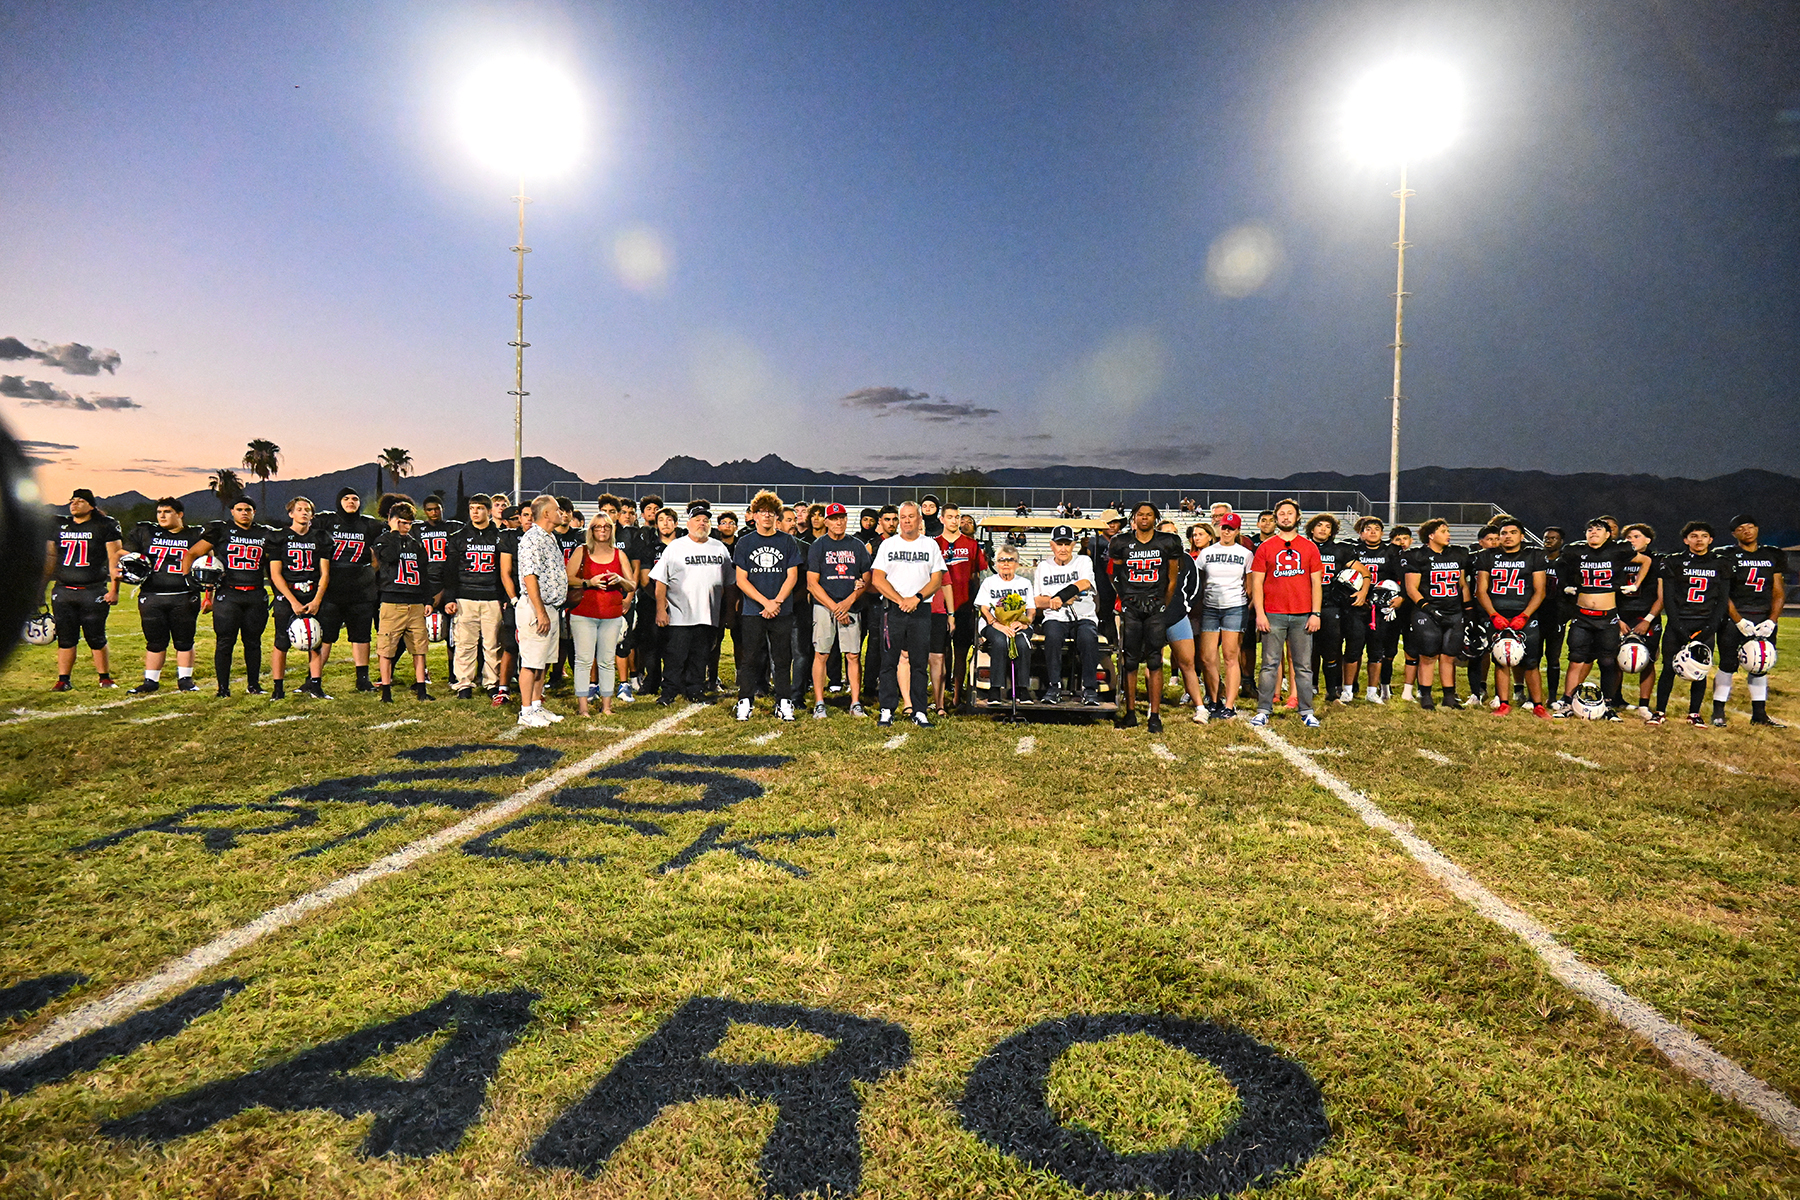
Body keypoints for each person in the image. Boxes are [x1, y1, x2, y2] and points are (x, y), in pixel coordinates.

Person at [1552, 518, 1651, 720]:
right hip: (1582, 615)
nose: (1593, 532)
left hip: (1608, 617)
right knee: (1575, 660)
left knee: (1607, 662)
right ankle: (1569, 702)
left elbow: (1646, 561)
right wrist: (1565, 585)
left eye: (1599, 529)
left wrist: (1636, 584)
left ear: (1608, 535)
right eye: (1590, 529)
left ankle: (1608, 705)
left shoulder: (1617, 551)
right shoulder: (1576, 551)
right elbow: (1558, 565)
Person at [184, 497, 279, 696]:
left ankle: (254, 685)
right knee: (225, 642)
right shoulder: (221, 530)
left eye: (248, 509)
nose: (244, 512)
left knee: (253, 642)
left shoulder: (265, 533)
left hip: (255, 593)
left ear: (254, 512)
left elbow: (275, 563)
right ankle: (223, 688)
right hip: (228, 594)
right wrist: (189, 579)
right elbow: (192, 553)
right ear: (232, 512)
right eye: (239, 509)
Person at [1249, 498, 1325, 727]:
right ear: (1276, 518)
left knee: (1303, 665)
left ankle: (1307, 710)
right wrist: (1260, 614)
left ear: (1298, 517)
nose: (1285, 517)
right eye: (1281, 514)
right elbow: (1257, 584)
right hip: (1273, 614)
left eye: (1289, 513)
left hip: (1302, 614)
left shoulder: (1309, 547)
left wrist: (1316, 613)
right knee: (1269, 664)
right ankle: (1263, 709)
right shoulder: (1266, 547)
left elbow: (1316, 583)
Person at [1108, 502, 1183, 732]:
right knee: (1129, 660)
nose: (1144, 518)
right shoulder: (1121, 542)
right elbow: (1115, 574)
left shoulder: (1167, 542)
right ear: (1134, 517)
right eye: (1140, 514)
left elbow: (1172, 579)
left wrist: (1162, 602)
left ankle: (1155, 714)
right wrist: (1127, 598)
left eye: (1149, 515)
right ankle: (1130, 713)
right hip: (1131, 605)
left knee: (1154, 660)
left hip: (1155, 605)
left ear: (1155, 518)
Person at [870, 501, 946, 728]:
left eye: (911, 516)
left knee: (919, 662)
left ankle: (920, 710)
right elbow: (877, 579)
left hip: (921, 609)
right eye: (903, 517)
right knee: (889, 661)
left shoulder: (930, 546)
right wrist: (900, 600)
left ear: (919, 519)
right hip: (893, 609)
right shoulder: (888, 545)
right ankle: (887, 708)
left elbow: (937, 580)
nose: (906, 521)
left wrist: (916, 599)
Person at [1647, 522, 1731, 726]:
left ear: (1711, 540)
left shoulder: (1721, 563)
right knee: (1668, 667)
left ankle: (1694, 713)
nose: (1699, 539)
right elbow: (1668, 598)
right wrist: (1678, 627)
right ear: (1686, 540)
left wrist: (1710, 627)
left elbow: (1723, 599)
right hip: (1679, 621)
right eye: (1694, 536)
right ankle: (1660, 711)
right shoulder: (1674, 561)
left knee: (1700, 670)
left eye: (1704, 535)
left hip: (1705, 622)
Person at [732, 490, 803, 721]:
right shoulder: (745, 542)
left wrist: (777, 602)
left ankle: (783, 701)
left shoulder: (787, 541)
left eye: (771, 513)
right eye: (762, 512)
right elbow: (741, 579)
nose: (767, 516)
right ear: (754, 515)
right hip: (754, 610)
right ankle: (745, 701)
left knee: (782, 658)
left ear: (777, 517)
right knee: (751, 658)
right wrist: (765, 602)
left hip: (782, 609)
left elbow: (792, 576)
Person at [653, 506, 732, 706]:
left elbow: (729, 583)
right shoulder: (676, 547)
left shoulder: (719, 547)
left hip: (708, 614)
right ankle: (669, 691)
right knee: (675, 657)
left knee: (701, 656)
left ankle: (695, 689)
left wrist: (728, 611)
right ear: (688, 523)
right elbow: (660, 581)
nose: (702, 523)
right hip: (680, 614)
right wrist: (661, 609)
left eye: (705, 519)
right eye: (697, 519)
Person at [45, 488, 123, 691]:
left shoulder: (104, 525)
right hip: (63, 590)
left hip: (93, 590)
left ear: (91, 505)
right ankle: (63, 679)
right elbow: (50, 558)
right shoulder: (59, 524)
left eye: (80, 500)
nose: (74, 503)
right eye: (72, 500)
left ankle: (104, 678)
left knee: (96, 636)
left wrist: (115, 589)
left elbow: (115, 558)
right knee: (65, 638)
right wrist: (41, 587)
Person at [125, 496, 204, 694]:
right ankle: (151, 681)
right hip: (152, 594)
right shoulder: (147, 532)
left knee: (184, 641)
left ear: (179, 514)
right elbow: (124, 554)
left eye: (167, 512)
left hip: (184, 594)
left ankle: (185, 679)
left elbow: (208, 561)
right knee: (154, 641)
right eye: (159, 512)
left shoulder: (194, 534)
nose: (161, 515)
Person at [1474, 517, 1550, 717]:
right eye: (1504, 533)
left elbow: (1540, 591)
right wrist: (1493, 615)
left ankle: (1538, 705)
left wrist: (1525, 616)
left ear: (1522, 536)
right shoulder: (1487, 556)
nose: (1507, 537)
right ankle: (1504, 703)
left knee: (1531, 661)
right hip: (1497, 614)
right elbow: (1481, 591)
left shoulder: (1534, 555)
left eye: (1512, 533)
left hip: (1525, 614)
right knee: (1500, 659)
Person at [1716, 513, 1787, 727]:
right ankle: (1718, 711)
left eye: (1750, 526)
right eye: (1741, 528)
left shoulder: (1772, 554)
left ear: (1757, 529)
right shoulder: (1726, 555)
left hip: (1762, 615)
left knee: (1760, 664)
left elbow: (1778, 592)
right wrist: (1738, 620)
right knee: (1728, 664)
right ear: (1733, 534)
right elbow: (1723, 591)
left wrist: (1772, 620)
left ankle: (1759, 714)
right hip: (1735, 615)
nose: (1746, 530)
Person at [565, 509, 635, 717]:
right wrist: (589, 582)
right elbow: (568, 578)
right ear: (591, 530)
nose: (602, 530)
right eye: (597, 526)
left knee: (606, 661)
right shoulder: (582, 551)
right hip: (584, 613)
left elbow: (631, 585)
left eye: (606, 526)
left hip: (611, 614)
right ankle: (583, 707)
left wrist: (619, 580)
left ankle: (607, 706)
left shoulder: (619, 554)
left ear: (612, 530)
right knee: (584, 660)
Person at [316, 487, 385, 692]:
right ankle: (314, 678)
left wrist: (371, 572)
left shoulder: (368, 524)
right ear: (339, 501)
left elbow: (379, 550)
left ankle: (362, 679)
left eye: (355, 498)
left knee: (361, 635)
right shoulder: (327, 521)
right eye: (346, 498)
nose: (351, 501)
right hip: (332, 588)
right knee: (325, 636)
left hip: (360, 590)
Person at [807, 502, 872, 718]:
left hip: (850, 607)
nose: (839, 522)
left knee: (853, 654)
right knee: (821, 653)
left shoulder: (857, 545)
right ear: (826, 522)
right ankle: (819, 702)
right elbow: (812, 583)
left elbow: (866, 577)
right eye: (834, 518)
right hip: (826, 607)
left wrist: (850, 600)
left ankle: (855, 702)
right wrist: (836, 607)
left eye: (842, 518)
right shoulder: (818, 546)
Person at [513, 495, 570, 727]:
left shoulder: (549, 538)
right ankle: (525, 711)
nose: (562, 514)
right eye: (557, 510)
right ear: (546, 514)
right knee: (531, 661)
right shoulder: (532, 539)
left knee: (543, 661)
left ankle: (536, 705)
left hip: (550, 607)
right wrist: (540, 612)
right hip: (537, 607)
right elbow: (530, 577)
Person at [371, 498, 435, 703]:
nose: (406, 526)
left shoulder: (416, 545)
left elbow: (423, 575)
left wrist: (427, 600)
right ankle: (386, 691)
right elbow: (389, 557)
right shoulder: (383, 540)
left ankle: (422, 689)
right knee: (387, 648)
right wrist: (395, 533)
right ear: (391, 520)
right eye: (402, 522)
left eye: (408, 523)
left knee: (419, 648)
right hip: (392, 602)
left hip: (415, 602)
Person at [1403, 518, 1470, 712]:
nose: (1448, 534)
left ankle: (1449, 696)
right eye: (1443, 531)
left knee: (1449, 655)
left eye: (1448, 530)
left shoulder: (1457, 554)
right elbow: (1411, 589)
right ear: (1431, 535)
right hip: (1427, 611)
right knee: (1428, 654)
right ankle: (1426, 695)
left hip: (1454, 610)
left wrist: (1468, 610)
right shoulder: (1417, 556)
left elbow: (1462, 584)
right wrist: (1429, 609)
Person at [268, 496, 332, 700]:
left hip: (312, 592)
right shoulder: (279, 537)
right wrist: (292, 601)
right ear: (291, 513)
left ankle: (315, 686)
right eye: (299, 509)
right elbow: (275, 574)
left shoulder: (320, 537)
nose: (304, 512)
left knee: (315, 640)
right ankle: (278, 689)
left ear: (312, 515)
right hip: (288, 594)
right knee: (281, 643)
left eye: (307, 509)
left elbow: (325, 573)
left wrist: (317, 600)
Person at [444, 494, 507, 701]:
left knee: (492, 644)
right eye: (472, 508)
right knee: (465, 643)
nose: (475, 512)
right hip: (466, 596)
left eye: (480, 508)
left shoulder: (500, 536)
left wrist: (504, 597)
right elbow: (451, 571)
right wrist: (450, 598)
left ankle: (492, 682)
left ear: (489, 511)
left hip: (491, 596)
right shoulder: (458, 536)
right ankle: (464, 683)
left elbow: (505, 570)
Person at [1033, 524, 1099, 705]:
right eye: (1059, 544)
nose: (1063, 548)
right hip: (1055, 617)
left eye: (1067, 544)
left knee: (1087, 637)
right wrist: (1054, 602)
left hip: (1083, 616)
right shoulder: (1043, 567)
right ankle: (1054, 687)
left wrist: (1062, 595)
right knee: (1052, 636)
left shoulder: (1083, 561)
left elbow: (1085, 582)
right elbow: (1037, 601)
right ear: (1051, 545)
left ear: (1074, 545)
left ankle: (1090, 689)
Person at [1197, 513, 1254, 720]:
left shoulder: (1245, 554)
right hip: (1210, 607)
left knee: (1231, 656)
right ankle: (1214, 699)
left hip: (1234, 607)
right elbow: (1200, 580)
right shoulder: (1207, 552)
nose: (1226, 531)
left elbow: (1249, 585)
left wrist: (1248, 605)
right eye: (1224, 527)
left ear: (1237, 531)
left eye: (1231, 528)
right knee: (1207, 657)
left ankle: (1229, 704)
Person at [1308, 514, 1367, 706]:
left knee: (1331, 649)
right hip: (1305, 605)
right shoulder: (1303, 547)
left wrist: (1363, 592)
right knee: (1308, 650)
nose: (1323, 529)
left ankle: (1333, 691)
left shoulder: (1340, 550)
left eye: (1328, 526)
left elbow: (1364, 573)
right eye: (1319, 525)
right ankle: (1310, 685)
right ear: (1311, 529)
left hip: (1331, 604)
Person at [1351, 516, 1406, 703]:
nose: (1373, 531)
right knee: (1354, 648)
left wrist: (1401, 597)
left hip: (1384, 608)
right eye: (1368, 528)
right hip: (1358, 605)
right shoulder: (1353, 550)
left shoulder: (1392, 551)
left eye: (1377, 528)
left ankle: (1379, 688)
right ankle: (1351, 686)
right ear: (1360, 532)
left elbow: (1404, 578)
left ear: (1382, 533)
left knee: (1382, 650)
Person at [976, 547, 1035, 704]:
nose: (1006, 564)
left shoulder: (1025, 583)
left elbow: (1031, 610)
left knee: (1022, 643)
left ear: (1017, 564)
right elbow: (984, 609)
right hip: (994, 624)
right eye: (1002, 560)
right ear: (996, 563)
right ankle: (995, 689)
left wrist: (1024, 623)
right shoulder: (989, 582)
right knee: (1000, 641)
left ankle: (1022, 689)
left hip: (1019, 624)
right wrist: (997, 624)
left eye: (1010, 560)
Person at [1617, 523, 1664, 713]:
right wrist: (1617, 619)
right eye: (1628, 537)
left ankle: (1644, 705)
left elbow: (1662, 596)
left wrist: (1648, 619)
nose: (1631, 540)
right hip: (1621, 614)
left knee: (1648, 660)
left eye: (1635, 536)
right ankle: (1614, 698)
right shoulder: (1616, 558)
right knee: (1614, 659)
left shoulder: (1659, 560)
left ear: (1648, 540)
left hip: (1646, 614)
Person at [1158, 519, 1205, 712]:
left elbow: (1194, 588)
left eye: (1175, 532)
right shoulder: (1151, 557)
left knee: (1188, 662)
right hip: (1154, 617)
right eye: (1167, 532)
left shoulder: (1186, 559)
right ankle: (1155, 701)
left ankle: (1199, 705)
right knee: (1154, 662)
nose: (1172, 535)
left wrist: (1184, 608)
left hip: (1178, 617)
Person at [417, 494, 463, 687]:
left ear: (442, 508)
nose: (433, 512)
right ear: (424, 511)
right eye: (429, 509)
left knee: (452, 632)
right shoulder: (417, 529)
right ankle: (422, 671)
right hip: (426, 583)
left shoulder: (454, 527)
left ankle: (453, 672)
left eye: (437, 509)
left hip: (449, 582)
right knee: (419, 632)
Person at [1538, 525, 1573, 700]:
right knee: (1533, 658)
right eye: (1546, 538)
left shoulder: (1566, 563)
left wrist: (1566, 614)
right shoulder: (1537, 559)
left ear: (1561, 541)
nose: (1548, 541)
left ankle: (1552, 696)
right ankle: (1532, 696)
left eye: (1553, 538)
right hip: (1537, 614)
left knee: (1553, 658)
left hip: (1557, 615)